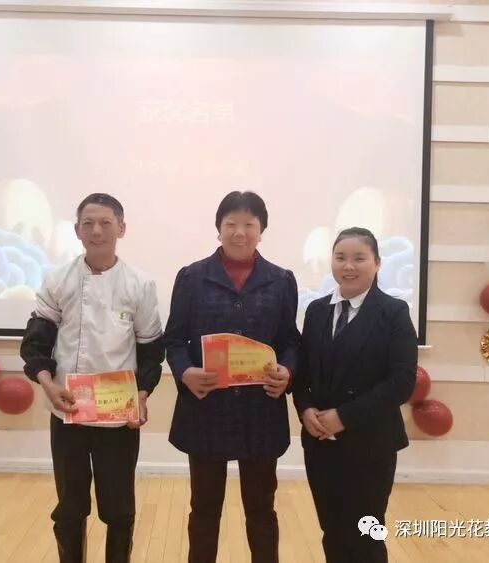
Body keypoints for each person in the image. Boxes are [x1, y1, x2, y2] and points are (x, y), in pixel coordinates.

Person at [20, 193, 165, 563]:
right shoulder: (58, 280)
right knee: (70, 506)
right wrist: (48, 385)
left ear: (121, 228)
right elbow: (36, 342)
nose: (97, 231)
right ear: (77, 231)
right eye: (88, 223)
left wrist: (142, 394)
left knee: (119, 508)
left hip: (118, 416)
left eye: (105, 223)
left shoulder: (139, 284)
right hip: (67, 411)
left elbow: (150, 351)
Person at [164, 191, 301, 563]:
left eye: (249, 224)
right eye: (231, 224)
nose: (240, 232)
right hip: (207, 409)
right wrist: (185, 372)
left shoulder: (281, 280)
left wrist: (287, 371)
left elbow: (290, 341)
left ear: (261, 230)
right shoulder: (192, 277)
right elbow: (173, 339)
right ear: (219, 228)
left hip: (260, 411)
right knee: (204, 510)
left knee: (261, 509)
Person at [293, 227, 417, 563]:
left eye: (359, 258)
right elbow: (302, 375)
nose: (348, 266)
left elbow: (401, 382)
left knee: (365, 535)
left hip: (370, 444)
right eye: (341, 258)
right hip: (320, 444)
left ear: (377, 263)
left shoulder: (393, 312)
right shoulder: (317, 311)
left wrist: (343, 417)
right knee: (332, 531)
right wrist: (306, 410)